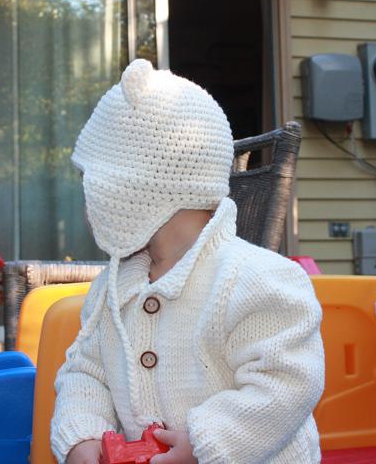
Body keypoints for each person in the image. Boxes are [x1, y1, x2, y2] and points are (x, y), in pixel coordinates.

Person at [51, 59, 325, 464]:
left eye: (92, 183)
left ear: (136, 189)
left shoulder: (258, 280)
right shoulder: (113, 288)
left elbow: (287, 384)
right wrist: (82, 436)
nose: (86, 201)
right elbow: (86, 373)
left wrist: (207, 440)